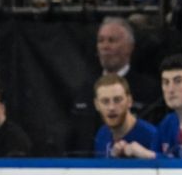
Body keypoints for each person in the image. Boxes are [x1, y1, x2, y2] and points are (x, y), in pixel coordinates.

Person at [68, 16, 161, 156]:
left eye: (112, 40)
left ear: (130, 47)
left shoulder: (149, 91)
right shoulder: (85, 90)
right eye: (101, 40)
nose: (105, 46)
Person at [93, 74, 158, 158]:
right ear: (96, 105)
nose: (111, 107)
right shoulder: (102, 135)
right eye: (105, 101)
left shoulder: (152, 136)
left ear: (129, 101)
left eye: (117, 100)